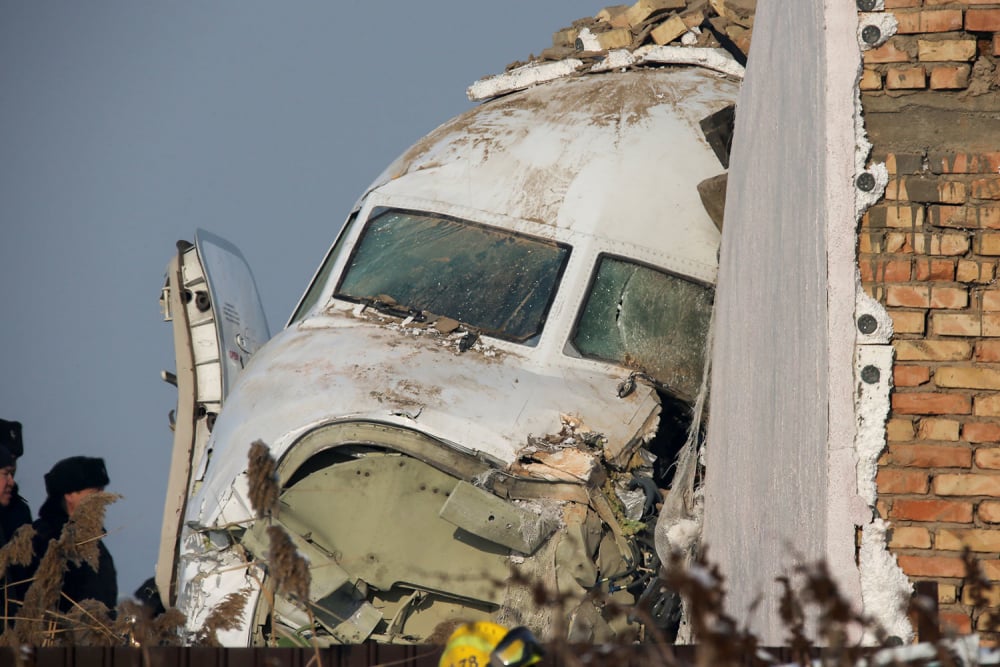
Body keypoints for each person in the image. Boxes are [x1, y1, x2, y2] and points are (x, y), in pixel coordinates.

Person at [20, 456, 118, 613]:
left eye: (102, 490)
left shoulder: (94, 541)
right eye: (94, 491)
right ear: (70, 494)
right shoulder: (46, 538)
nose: (102, 498)